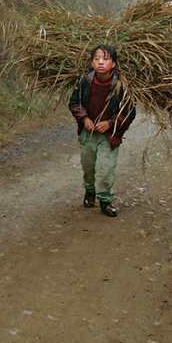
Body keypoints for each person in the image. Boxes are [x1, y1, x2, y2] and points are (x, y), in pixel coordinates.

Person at [69, 44, 136, 217]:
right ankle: (90, 192)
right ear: (91, 63)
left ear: (113, 64)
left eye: (105, 59)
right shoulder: (85, 82)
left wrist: (111, 123)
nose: (100, 63)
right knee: (88, 166)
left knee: (105, 168)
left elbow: (130, 112)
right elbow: (74, 103)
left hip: (109, 136)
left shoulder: (121, 86)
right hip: (88, 134)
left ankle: (105, 201)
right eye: (96, 59)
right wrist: (84, 118)